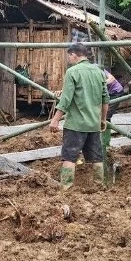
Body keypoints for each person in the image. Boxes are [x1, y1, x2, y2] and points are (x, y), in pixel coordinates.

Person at [49, 44, 109, 190]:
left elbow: (66, 99)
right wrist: (102, 119)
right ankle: (99, 186)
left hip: (75, 125)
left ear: (74, 54)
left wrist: (55, 120)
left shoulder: (72, 72)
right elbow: (105, 99)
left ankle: (66, 188)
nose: (68, 59)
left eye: (69, 56)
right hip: (93, 124)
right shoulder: (99, 72)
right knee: (96, 157)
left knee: (70, 157)